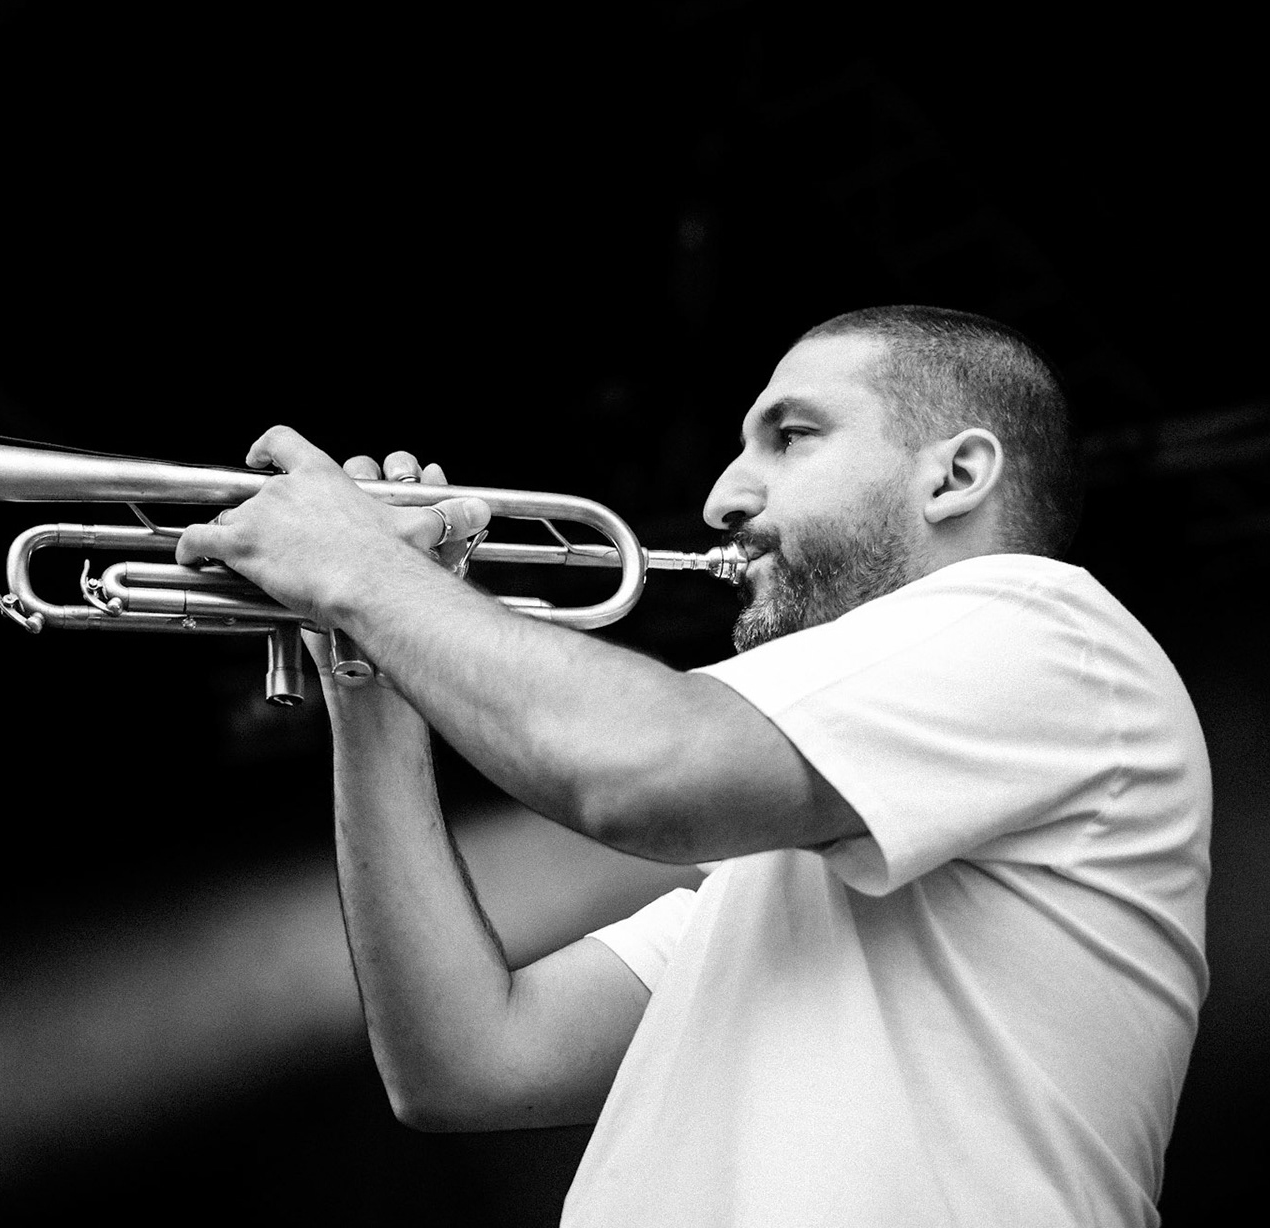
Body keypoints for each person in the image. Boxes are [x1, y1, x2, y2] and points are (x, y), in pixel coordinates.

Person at [176, 305, 1211, 1226]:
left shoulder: (1046, 630)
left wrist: (366, 572)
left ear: (956, 475)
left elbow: (638, 772)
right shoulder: (796, 869)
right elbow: (466, 1061)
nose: (722, 496)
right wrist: (370, 679)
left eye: (791, 435)